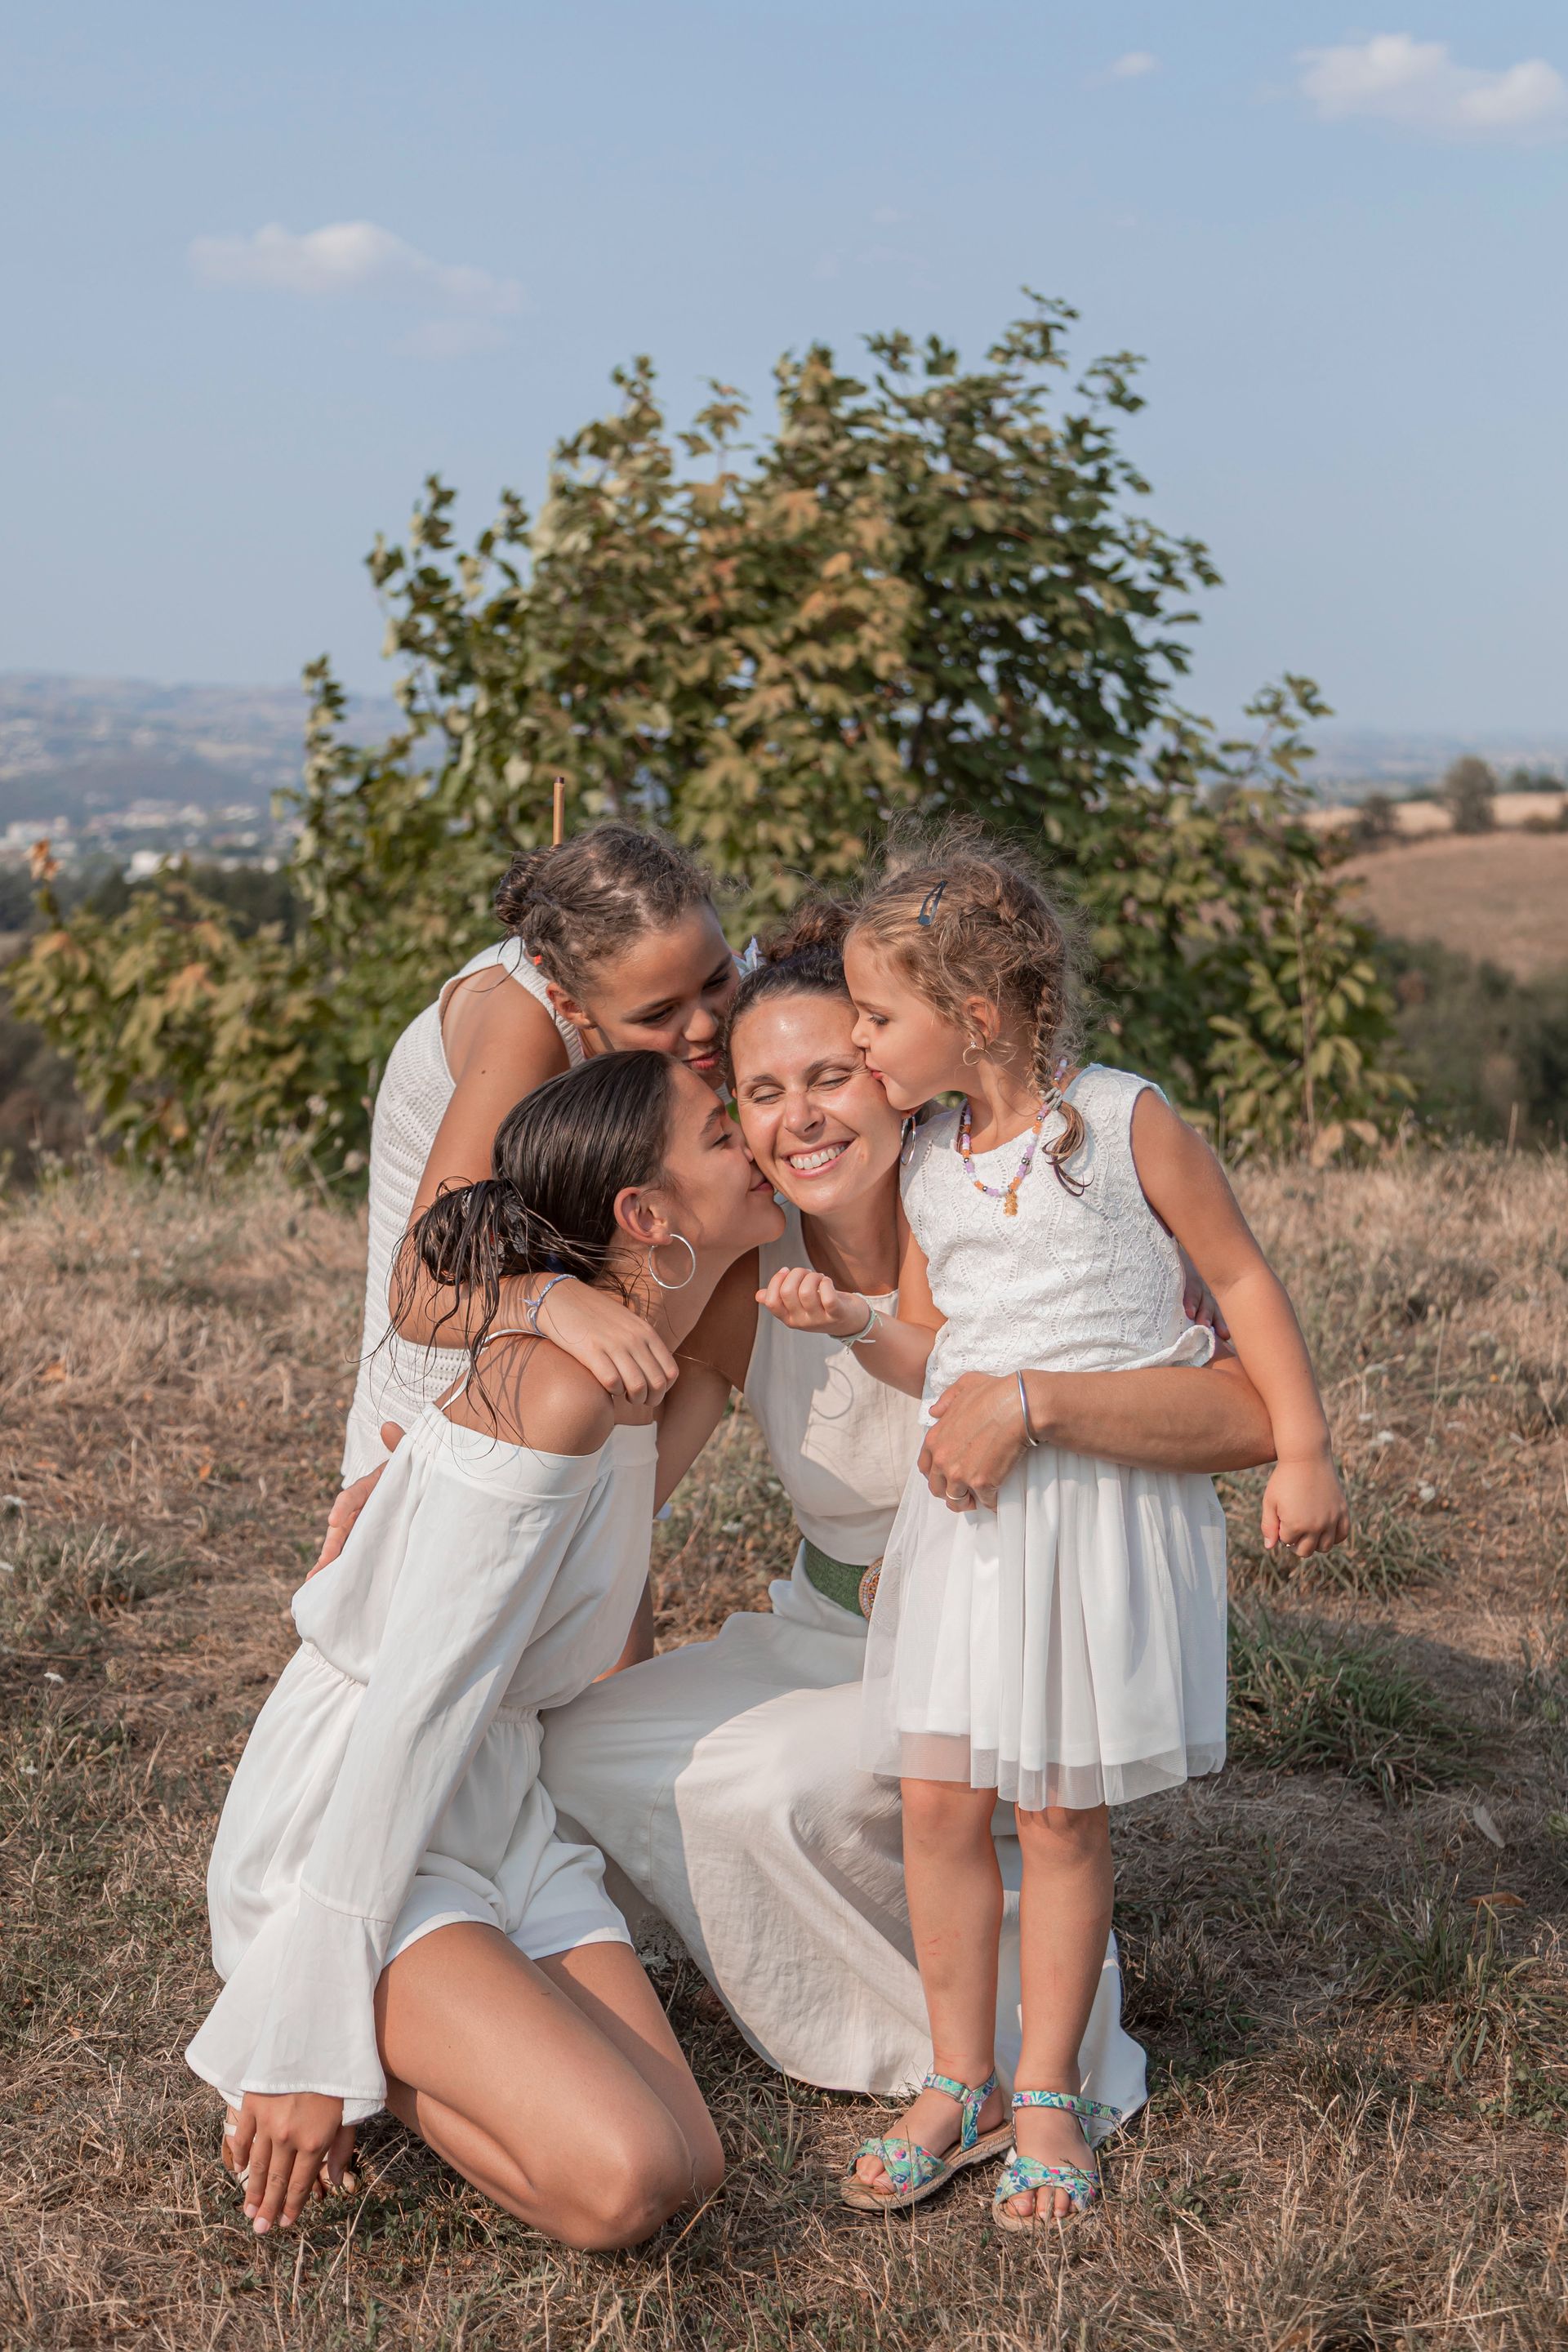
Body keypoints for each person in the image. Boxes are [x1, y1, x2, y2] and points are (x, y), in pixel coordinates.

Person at [541, 902, 1278, 2127]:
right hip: (821, 1630)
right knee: (577, 1747)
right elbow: (632, 1481)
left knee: (767, 1782)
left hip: (1003, 1634)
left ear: (899, 1079)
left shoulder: (1033, 1224)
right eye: (762, 1094)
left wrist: (1038, 1404)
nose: (801, 1118)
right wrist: (462, 1498)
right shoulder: (748, 1268)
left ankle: (992, 2052)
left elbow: (1249, 1414)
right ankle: (851, 1982)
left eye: (834, 1073)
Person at [759, 831, 1348, 2229]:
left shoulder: (1129, 1121)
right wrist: (848, 1320)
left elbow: (1243, 1281)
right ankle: (956, 2074)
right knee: (942, 1805)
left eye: (877, 1018)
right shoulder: (930, 1168)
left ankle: (1050, 2092)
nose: (860, 1040)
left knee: (1057, 1815)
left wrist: (1306, 1443)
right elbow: (931, 1350)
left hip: (1093, 1520)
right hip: (968, 1529)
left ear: (972, 1015)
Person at [187, 1050, 784, 2249]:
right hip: (362, 1820)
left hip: (497, 1802)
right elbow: (420, 1705)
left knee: (692, 2161)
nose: (761, 1144)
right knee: (619, 2187)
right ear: (644, 1214)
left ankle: (396, 2030)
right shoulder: (553, 1393)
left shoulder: (638, 1382)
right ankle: (302, 2024)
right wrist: (313, 2042)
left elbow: (722, 1348)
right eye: (729, 1133)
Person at [338, 822, 740, 1494]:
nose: (703, 1026)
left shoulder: (702, 1009)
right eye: (659, 1013)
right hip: (454, 1384)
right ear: (569, 1004)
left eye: (718, 979)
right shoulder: (521, 1025)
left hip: (598, 1378)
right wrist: (549, 1300)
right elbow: (420, 1288)